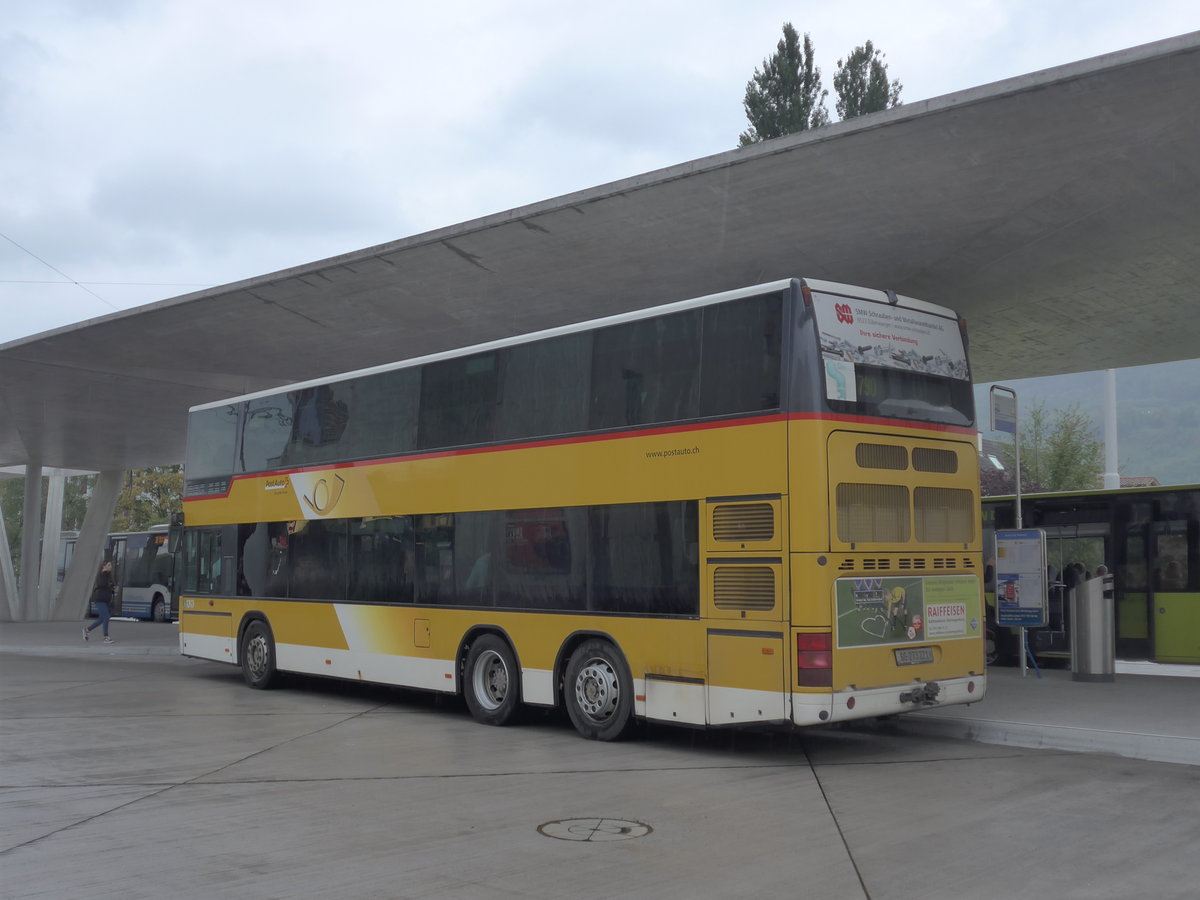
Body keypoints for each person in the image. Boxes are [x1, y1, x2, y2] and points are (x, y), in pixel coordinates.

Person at [83, 561, 116, 643]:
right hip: (99, 599)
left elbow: (111, 585)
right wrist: (109, 584)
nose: (110, 566)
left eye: (111, 565)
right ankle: (106, 637)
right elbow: (102, 584)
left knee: (102, 619)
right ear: (103, 566)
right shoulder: (102, 575)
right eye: (108, 565)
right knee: (106, 617)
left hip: (106, 600)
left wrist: (112, 587)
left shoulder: (108, 575)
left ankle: (87, 630)